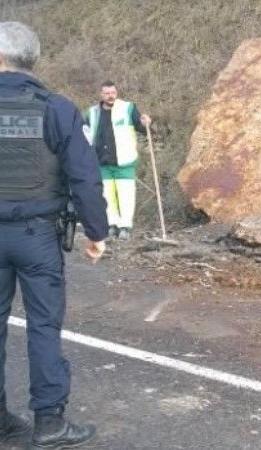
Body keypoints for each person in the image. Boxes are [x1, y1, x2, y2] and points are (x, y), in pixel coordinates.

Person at [0, 22, 108, 448]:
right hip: (36, 236)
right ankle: (49, 422)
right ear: (33, 60)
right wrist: (96, 232)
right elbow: (85, 176)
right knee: (44, 325)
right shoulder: (57, 108)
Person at [84, 81, 151, 241]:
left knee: (126, 195)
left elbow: (141, 127)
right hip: (101, 162)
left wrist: (145, 122)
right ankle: (112, 225)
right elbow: (84, 133)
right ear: (101, 95)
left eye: (113, 92)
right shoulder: (91, 113)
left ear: (116, 92)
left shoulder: (128, 108)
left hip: (124, 162)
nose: (110, 96)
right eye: (107, 93)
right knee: (107, 196)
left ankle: (125, 227)